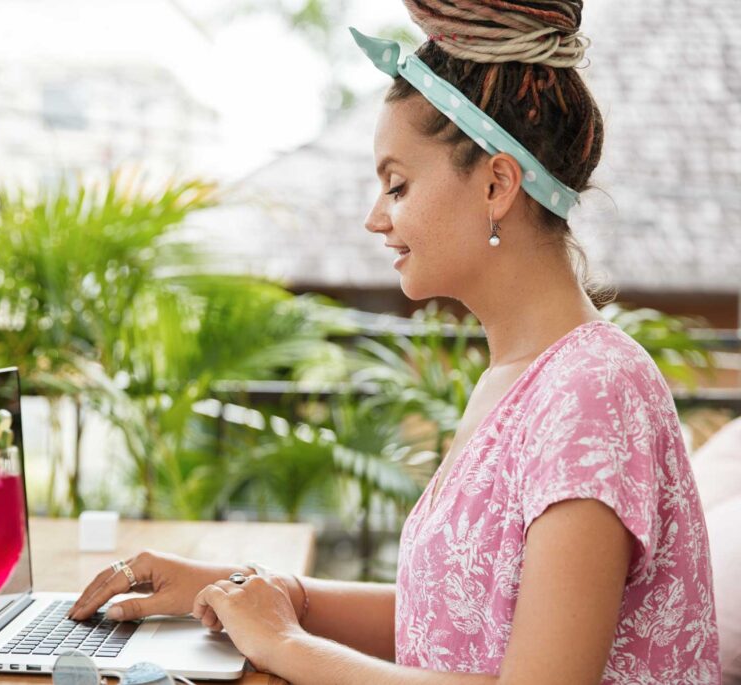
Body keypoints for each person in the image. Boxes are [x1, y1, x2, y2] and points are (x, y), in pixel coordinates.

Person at [70, 1, 722, 682]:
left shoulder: (593, 390)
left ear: (497, 183)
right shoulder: (526, 374)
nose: (375, 217)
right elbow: (452, 617)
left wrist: (286, 646)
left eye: (398, 184)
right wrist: (260, 590)